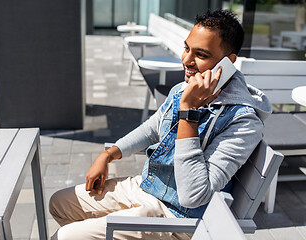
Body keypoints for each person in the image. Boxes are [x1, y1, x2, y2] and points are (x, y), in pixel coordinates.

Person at [49, 9, 272, 240]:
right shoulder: (182, 90)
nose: (186, 60)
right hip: (149, 186)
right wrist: (108, 154)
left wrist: (188, 112)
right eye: (186, 48)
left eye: (201, 54)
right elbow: (152, 128)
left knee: (64, 237)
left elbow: (194, 196)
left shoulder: (243, 122)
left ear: (228, 63)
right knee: (59, 203)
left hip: (177, 217)